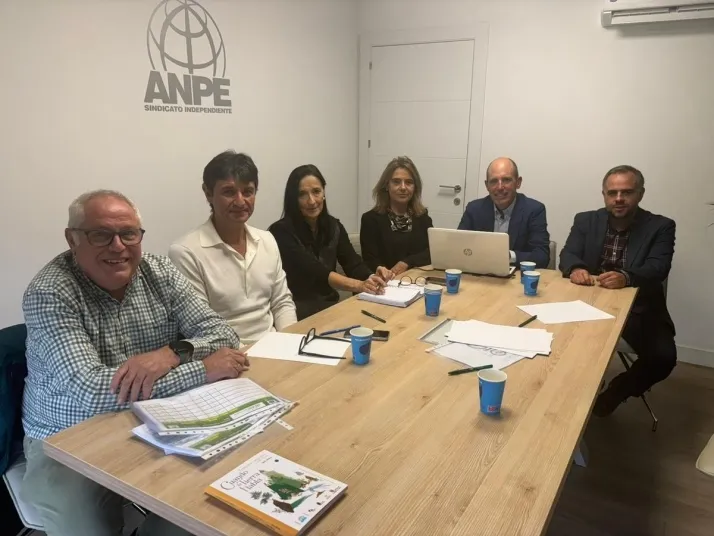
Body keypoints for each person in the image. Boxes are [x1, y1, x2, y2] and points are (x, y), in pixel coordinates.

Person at [22, 190, 248, 536]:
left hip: (157, 415)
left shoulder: (159, 271)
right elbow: (95, 393)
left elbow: (223, 334)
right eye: (101, 235)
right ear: (72, 239)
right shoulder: (49, 292)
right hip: (66, 436)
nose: (118, 246)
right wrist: (203, 369)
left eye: (128, 233)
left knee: (205, 507)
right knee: (86, 524)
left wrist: (171, 354)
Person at [559, 165, 676, 417]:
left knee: (664, 358)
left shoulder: (661, 226)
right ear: (604, 195)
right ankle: (566, 393)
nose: (619, 198)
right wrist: (576, 268)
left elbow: (658, 267)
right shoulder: (586, 220)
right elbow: (568, 254)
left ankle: (615, 392)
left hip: (638, 309)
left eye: (626, 192)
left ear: (640, 194)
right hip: (588, 303)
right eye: (612, 193)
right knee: (555, 340)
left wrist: (627, 277)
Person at [169, 151, 297, 344]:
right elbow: (200, 326)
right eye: (229, 192)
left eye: (248, 192)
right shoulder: (185, 252)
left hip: (275, 346)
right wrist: (248, 355)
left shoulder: (267, 240)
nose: (240, 201)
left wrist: (291, 342)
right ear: (208, 193)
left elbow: (281, 302)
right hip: (226, 354)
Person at [269, 165, 391, 320]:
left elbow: (353, 264)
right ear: (293, 199)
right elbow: (316, 270)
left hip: (330, 307)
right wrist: (359, 285)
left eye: (316, 191)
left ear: (324, 193)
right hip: (295, 311)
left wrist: (372, 276)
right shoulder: (280, 232)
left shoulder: (334, 226)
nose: (311, 201)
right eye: (302, 194)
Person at [458, 157, 550, 268]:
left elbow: (542, 256)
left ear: (518, 182)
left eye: (506, 180)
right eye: (494, 181)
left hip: (516, 274)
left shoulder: (534, 210)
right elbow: (458, 247)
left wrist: (508, 256)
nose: (500, 187)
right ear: (487, 186)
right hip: (480, 271)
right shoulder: (474, 209)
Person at [360, 156, 433, 275]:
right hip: (385, 281)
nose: (403, 187)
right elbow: (370, 260)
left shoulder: (423, 218)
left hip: (416, 279)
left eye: (409, 182)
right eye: (396, 182)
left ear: (415, 187)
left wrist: (407, 262)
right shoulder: (371, 219)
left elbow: (431, 252)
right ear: (386, 186)